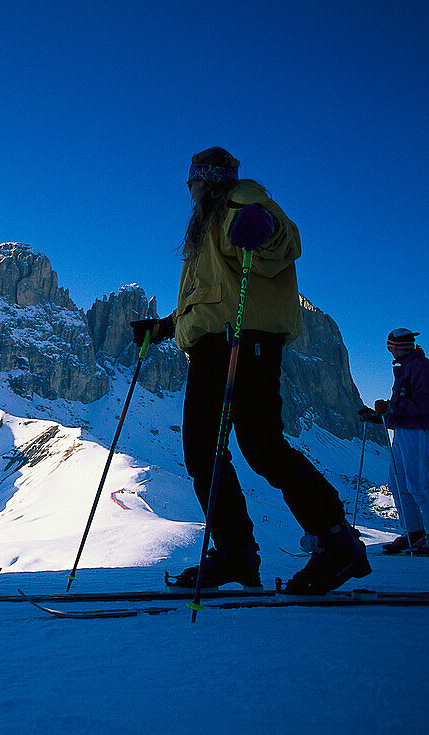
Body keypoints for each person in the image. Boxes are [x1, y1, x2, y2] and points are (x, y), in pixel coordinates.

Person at [132, 147, 370, 595]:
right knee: (211, 452)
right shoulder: (207, 227)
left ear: (206, 182)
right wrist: (164, 327)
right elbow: (210, 297)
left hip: (244, 341)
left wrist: (267, 229)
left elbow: (283, 239)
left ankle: (334, 541)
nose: (191, 191)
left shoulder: (241, 199)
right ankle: (237, 552)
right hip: (217, 343)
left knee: (258, 446)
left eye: (194, 183)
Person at [372, 328, 429, 555]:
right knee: (399, 483)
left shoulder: (424, 368)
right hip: (403, 430)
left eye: (390, 348)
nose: (389, 352)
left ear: (394, 347)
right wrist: (380, 416)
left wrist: (390, 408)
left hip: (419, 432)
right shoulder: (408, 368)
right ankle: (416, 532)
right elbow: (407, 404)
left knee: (418, 485)